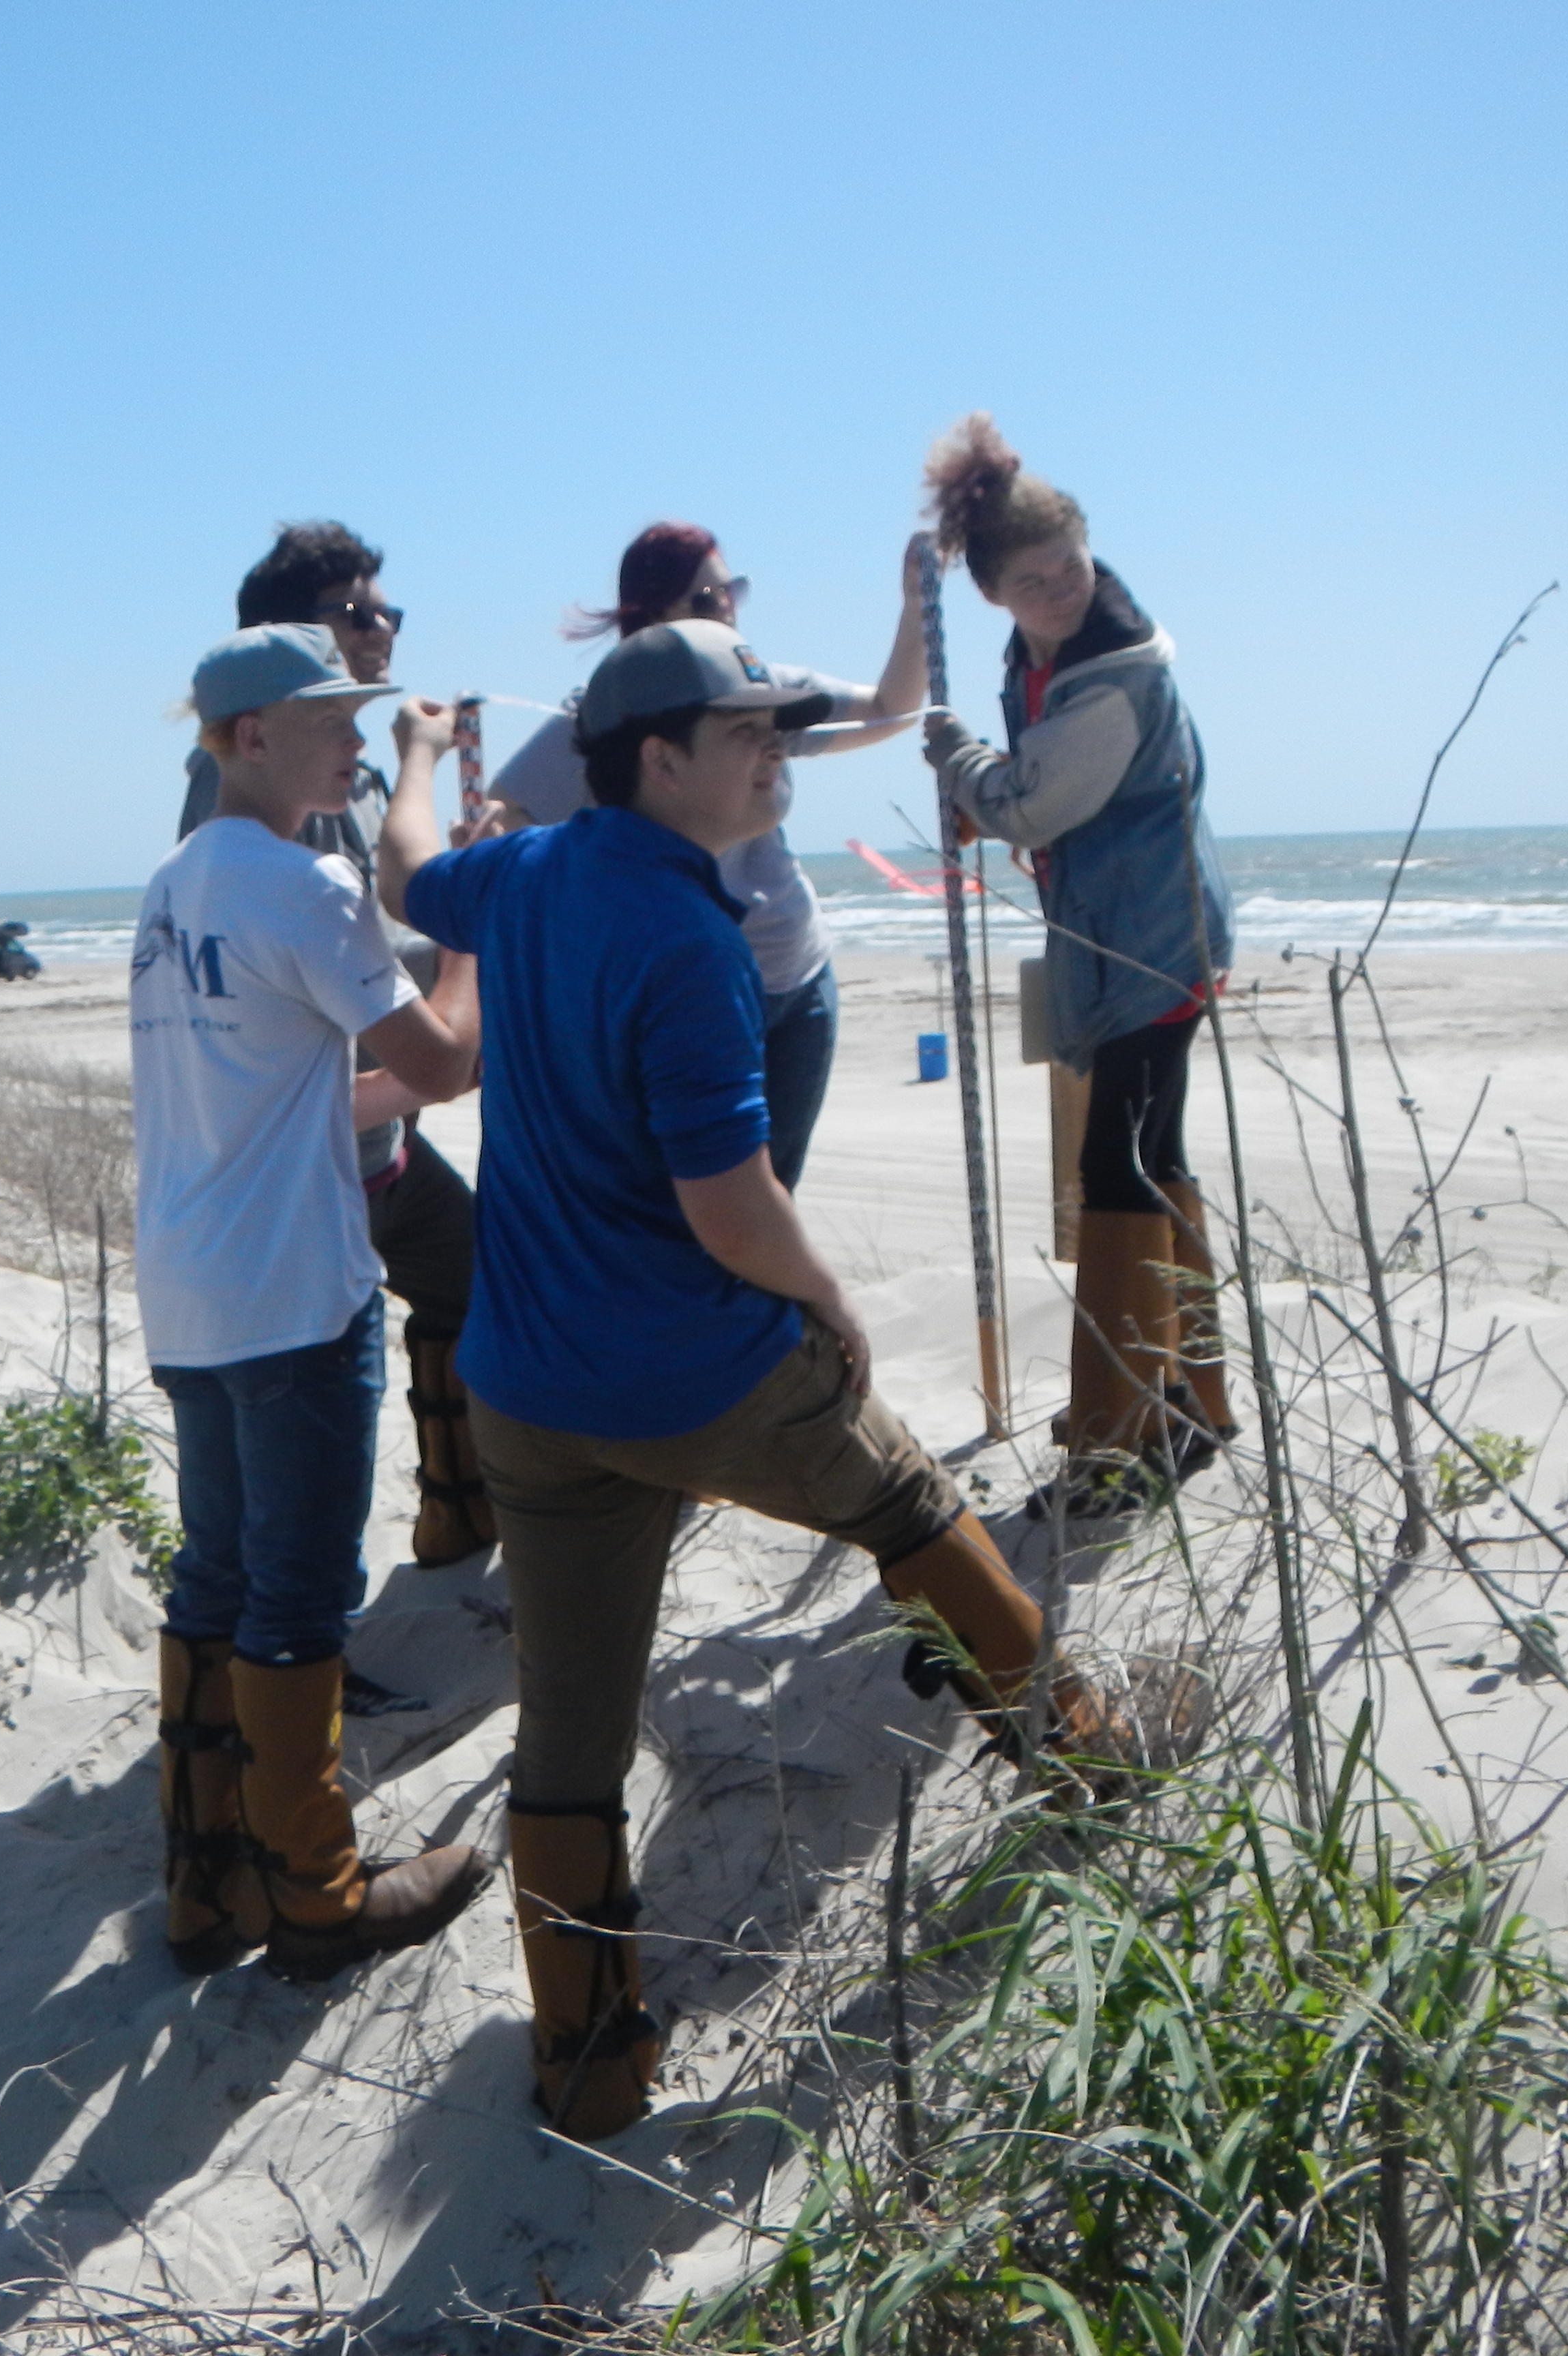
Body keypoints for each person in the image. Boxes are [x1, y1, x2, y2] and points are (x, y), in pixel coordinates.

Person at [374, 618, 1125, 2139]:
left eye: (782, 728)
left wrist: (418, 759)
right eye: (747, 733)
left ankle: (587, 2069)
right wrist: (830, 1297)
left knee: (569, 1734)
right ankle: (1087, 1768)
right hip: (693, 1372)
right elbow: (728, 1203)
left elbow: (404, 877)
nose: (778, 750)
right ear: (659, 762)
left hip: (528, 1389)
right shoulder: (692, 944)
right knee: (909, 1503)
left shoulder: (520, 875)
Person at [135, 622, 492, 1982]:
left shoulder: (172, 885)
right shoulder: (306, 883)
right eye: (326, 716)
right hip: (290, 1283)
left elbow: (281, 1092)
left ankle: (204, 1887)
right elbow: (446, 1064)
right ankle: (320, 1899)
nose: (354, 736)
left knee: (216, 1573)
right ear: (244, 738)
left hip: (190, 1280)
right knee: (294, 1591)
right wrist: (461, 923)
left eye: (358, 716)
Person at [916, 414, 1237, 1517]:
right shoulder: (1046, 652)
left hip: (1147, 941)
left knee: (1118, 1169)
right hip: (1129, 930)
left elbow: (1036, 794)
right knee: (1152, 1151)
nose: (1058, 588)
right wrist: (994, 795)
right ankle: (1189, 1393)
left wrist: (960, 764)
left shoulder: (1107, 674)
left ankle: (1116, 1440)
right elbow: (1038, 798)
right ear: (994, 592)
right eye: (1031, 578)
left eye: (1069, 567)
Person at [179, 524, 496, 1569]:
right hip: (318, 1149)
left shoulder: (343, 774)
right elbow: (289, 950)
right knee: (304, 1440)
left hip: (379, 1133)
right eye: (357, 613)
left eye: (385, 610)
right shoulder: (251, 792)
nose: (383, 630)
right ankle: (301, 1661)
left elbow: (380, 919)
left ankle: (457, 1512)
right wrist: (468, 934)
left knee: (473, 1279)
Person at [481, 524, 931, 1189]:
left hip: (797, 979)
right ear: (653, 615)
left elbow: (890, 710)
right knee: (698, 1198)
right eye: (707, 599)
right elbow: (505, 813)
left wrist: (917, 606)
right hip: (691, 990)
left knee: (773, 1194)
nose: (728, 611)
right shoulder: (605, 718)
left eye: (730, 593)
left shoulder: (760, 690)